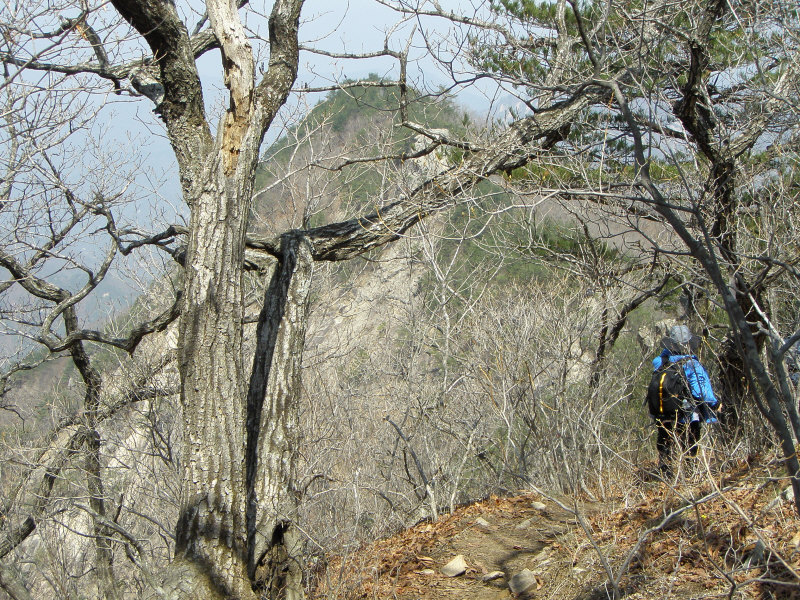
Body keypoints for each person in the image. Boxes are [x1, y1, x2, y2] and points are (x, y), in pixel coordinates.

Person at [652, 325, 720, 476]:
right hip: (686, 413)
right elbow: (700, 392)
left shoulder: (659, 362)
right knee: (690, 442)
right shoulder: (692, 364)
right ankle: (689, 473)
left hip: (662, 413)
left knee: (664, 440)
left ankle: (665, 472)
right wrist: (715, 404)